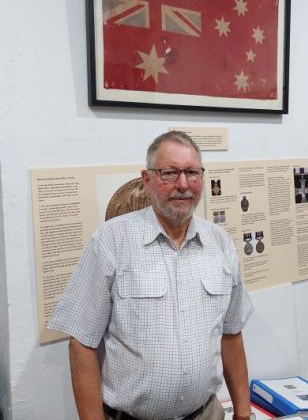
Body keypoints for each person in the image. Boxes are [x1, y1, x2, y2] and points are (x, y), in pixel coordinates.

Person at [48, 131, 254, 420]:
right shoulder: (110, 242)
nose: (183, 184)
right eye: (169, 173)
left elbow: (232, 334)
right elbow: (81, 344)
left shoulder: (220, 244)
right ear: (147, 180)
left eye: (192, 173)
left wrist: (243, 413)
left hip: (207, 414)